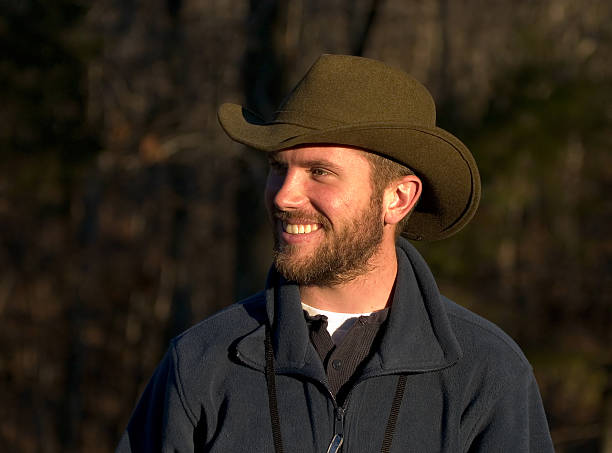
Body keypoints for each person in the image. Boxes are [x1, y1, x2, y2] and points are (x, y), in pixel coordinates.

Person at [117, 54, 554, 452]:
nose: (284, 196)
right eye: (277, 168)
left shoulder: (487, 373)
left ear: (398, 198)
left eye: (319, 173)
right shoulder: (201, 363)